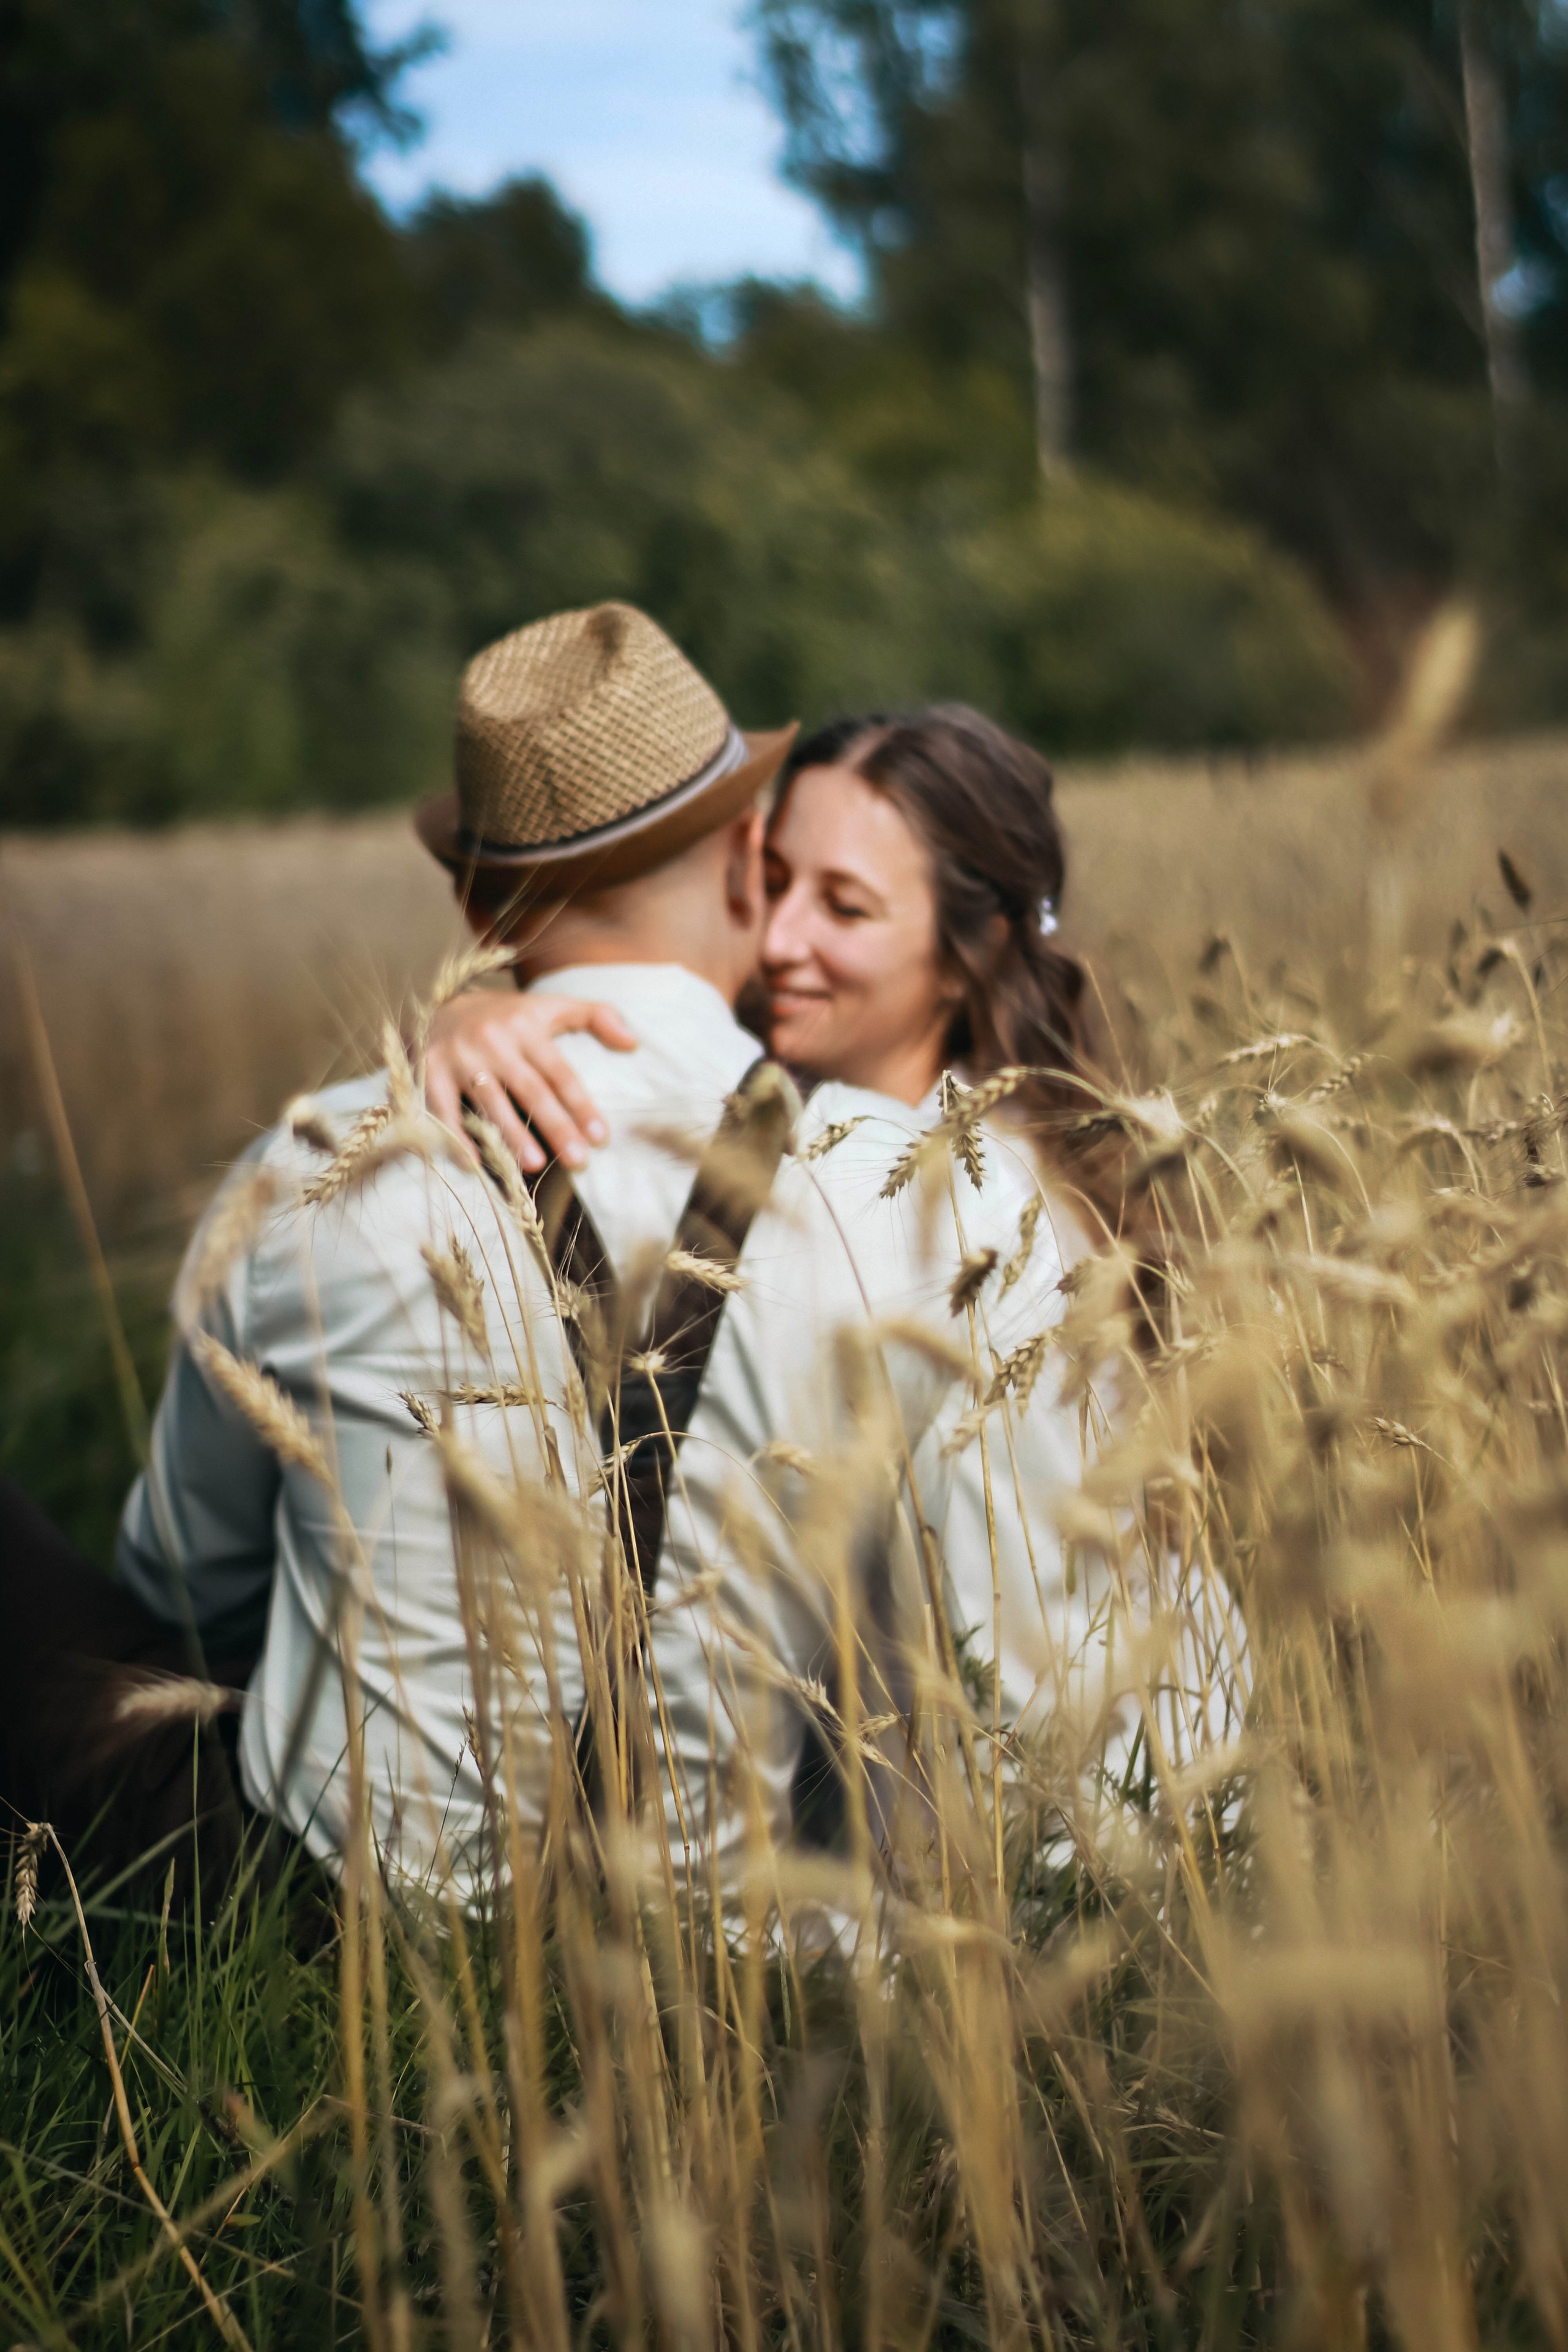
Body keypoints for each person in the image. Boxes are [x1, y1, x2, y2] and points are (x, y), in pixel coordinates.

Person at [0, 601, 1105, 1912]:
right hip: (736, 1938)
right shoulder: (944, 1201)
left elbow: (184, 1588)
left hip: (328, 1922)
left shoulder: (314, 1162)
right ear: (750, 860)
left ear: (473, 900)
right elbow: (1034, 1663)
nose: (797, 935)